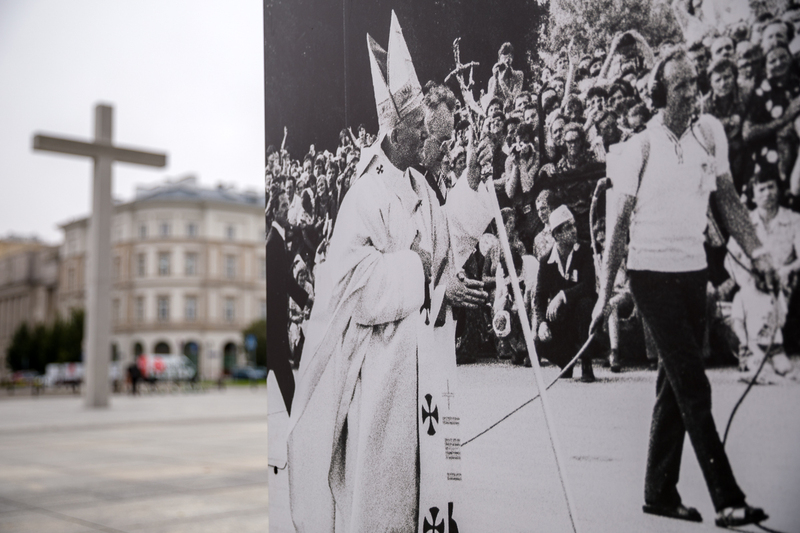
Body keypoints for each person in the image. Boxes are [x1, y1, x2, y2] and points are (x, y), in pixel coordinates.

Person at [287, 12, 493, 532]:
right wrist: (419, 270)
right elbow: (357, 288)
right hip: (379, 373)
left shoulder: (420, 187)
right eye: (420, 127)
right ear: (395, 130)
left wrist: (469, 185)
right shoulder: (365, 193)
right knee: (382, 493)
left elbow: (444, 246)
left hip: (421, 366)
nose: (427, 136)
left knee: (423, 489)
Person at [591, 49, 772, 528]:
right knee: (694, 382)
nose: (693, 93)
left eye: (696, 83)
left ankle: (658, 491)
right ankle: (728, 500)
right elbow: (617, 231)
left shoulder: (710, 134)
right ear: (660, 94)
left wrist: (759, 253)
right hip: (650, 277)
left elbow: (728, 201)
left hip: (694, 275)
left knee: (673, 385)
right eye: (683, 86)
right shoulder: (640, 146)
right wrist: (602, 295)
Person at [534, 205, 597, 382]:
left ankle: (586, 363)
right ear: (557, 235)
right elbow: (539, 297)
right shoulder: (546, 260)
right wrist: (541, 323)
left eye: (574, 225)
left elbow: (589, 285)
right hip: (561, 318)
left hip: (582, 316)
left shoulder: (584, 251)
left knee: (585, 304)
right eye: (568, 227)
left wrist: (562, 295)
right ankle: (565, 362)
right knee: (540, 340)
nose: (574, 230)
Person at [266, 191, 311, 415]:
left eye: (286, 205)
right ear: (274, 210)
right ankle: (297, 424)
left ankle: (297, 421)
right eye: (282, 205)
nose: (286, 209)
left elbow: (284, 280)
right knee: (284, 373)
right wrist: (306, 298)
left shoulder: (278, 238)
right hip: (273, 325)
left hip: (274, 324)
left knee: (282, 371)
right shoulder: (273, 242)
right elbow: (284, 281)